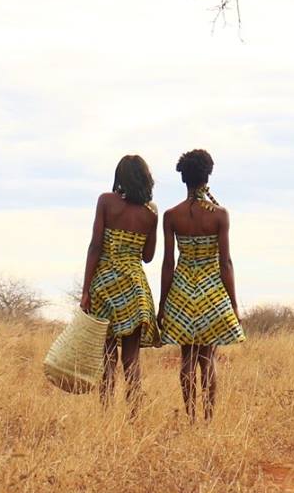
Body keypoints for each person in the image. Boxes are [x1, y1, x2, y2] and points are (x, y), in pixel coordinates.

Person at [156, 147, 243, 418]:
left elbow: (168, 263)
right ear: (208, 177)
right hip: (212, 292)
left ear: (184, 179)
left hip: (182, 291)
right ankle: (207, 419)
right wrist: (233, 305)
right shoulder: (219, 215)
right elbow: (225, 263)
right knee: (208, 359)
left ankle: (191, 416)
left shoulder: (172, 215)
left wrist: (163, 304)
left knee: (187, 358)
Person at [80, 154, 159, 404]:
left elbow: (95, 246)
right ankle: (134, 417)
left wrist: (86, 291)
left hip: (106, 286)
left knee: (107, 357)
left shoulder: (106, 201)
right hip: (135, 289)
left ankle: (106, 417)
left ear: (119, 176)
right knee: (132, 359)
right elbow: (148, 256)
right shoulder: (151, 211)